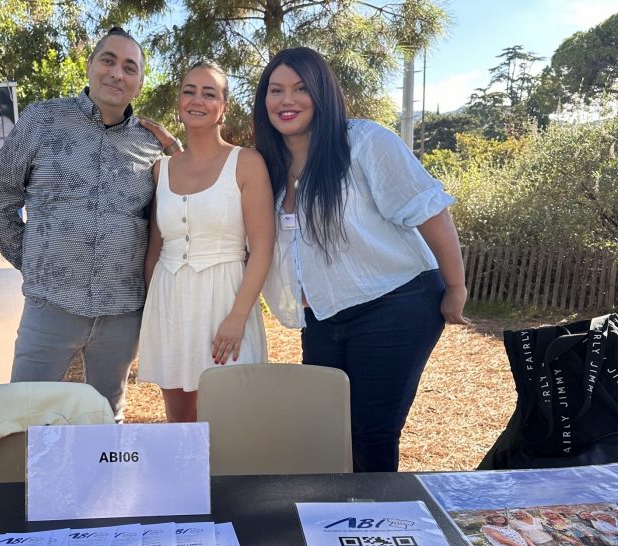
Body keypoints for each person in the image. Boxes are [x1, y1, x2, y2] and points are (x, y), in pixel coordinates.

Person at [252, 47, 468, 472]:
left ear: (323, 94)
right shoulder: (268, 165)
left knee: (370, 432)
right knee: (325, 426)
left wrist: (456, 287)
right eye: (275, 90)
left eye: (300, 88)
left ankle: (374, 528)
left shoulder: (363, 141)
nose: (286, 100)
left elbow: (429, 209)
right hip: (324, 316)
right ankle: (335, 523)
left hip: (395, 302)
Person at [0, 27, 181, 421]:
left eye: (130, 68)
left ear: (139, 84)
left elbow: (179, 212)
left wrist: (175, 147)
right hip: (50, 305)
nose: (116, 74)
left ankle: (102, 484)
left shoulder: (149, 144)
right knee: (23, 417)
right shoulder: (42, 119)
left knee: (106, 417)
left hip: (122, 312)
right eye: (108, 60)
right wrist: (35, 263)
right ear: (90, 66)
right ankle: (24, 487)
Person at [137, 61, 274, 421]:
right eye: (189, 91)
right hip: (170, 301)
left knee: (232, 423)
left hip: (226, 299)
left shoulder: (247, 163)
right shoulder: (161, 169)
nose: (197, 99)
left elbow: (262, 248)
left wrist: (238, 317)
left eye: (209, 93)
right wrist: (156, 310)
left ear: (223, 107)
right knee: (181, 425)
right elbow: (155, 247)